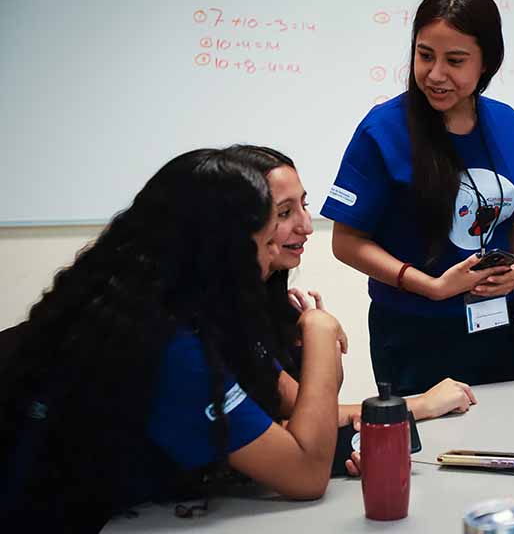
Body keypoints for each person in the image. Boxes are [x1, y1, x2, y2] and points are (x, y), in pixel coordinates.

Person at [0, 149, 344, 531]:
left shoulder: (138, 310)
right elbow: (307, 474)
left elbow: (289, 417)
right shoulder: (169, 348)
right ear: (221, 253)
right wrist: (320, 330)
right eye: (264, 246)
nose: (268, 262)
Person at [320, 0, 514, 396]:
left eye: (455, 60)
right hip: (413, 335)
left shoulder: (509, 125)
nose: (435, 74)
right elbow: (347, 242)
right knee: (430, 454)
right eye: (425, 55)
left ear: (487, 63)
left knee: (505, 446)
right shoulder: (383, 129)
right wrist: (429, 286)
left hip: (496, 326)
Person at [224, 145, 480, 437]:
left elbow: (321, 401)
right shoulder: (224, 317)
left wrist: (322, 348)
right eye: (284, 213)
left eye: (304, 206)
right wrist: (422, 404)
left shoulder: (276, 299)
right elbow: (303, 412)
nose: (306, 226)